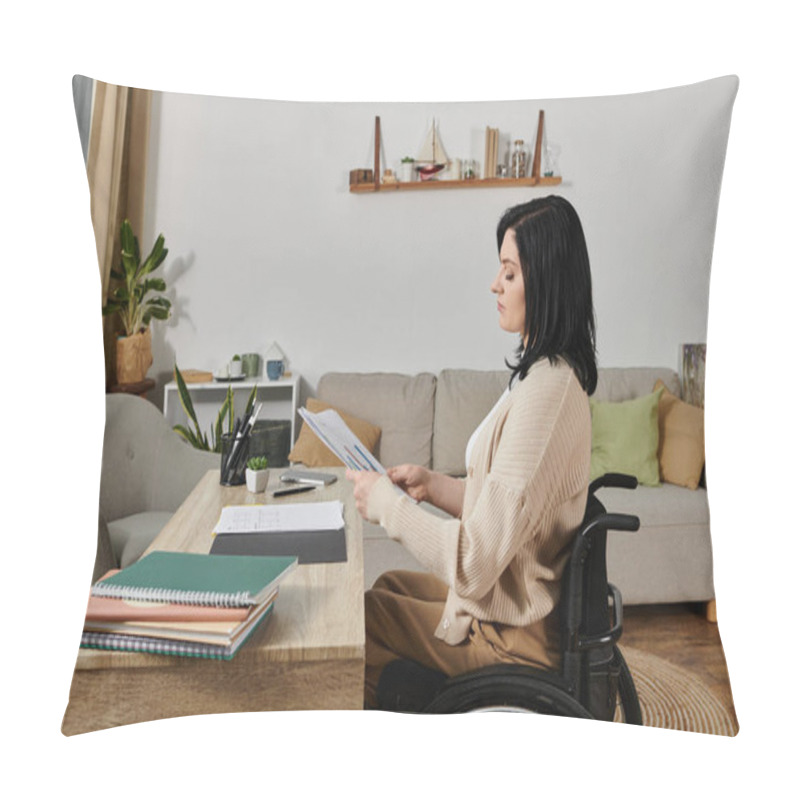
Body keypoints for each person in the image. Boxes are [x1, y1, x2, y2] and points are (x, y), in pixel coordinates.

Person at [347, 195, 598, 709]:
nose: (494, 285)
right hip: (505, 608)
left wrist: (388, 507)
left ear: (545, 281)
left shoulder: (548, 395)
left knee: (366, 619)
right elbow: (509, 516)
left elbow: (476, 564)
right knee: (391, 582)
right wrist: (434, 487)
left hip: (513, 638)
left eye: (509, 273)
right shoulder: (539, 376)